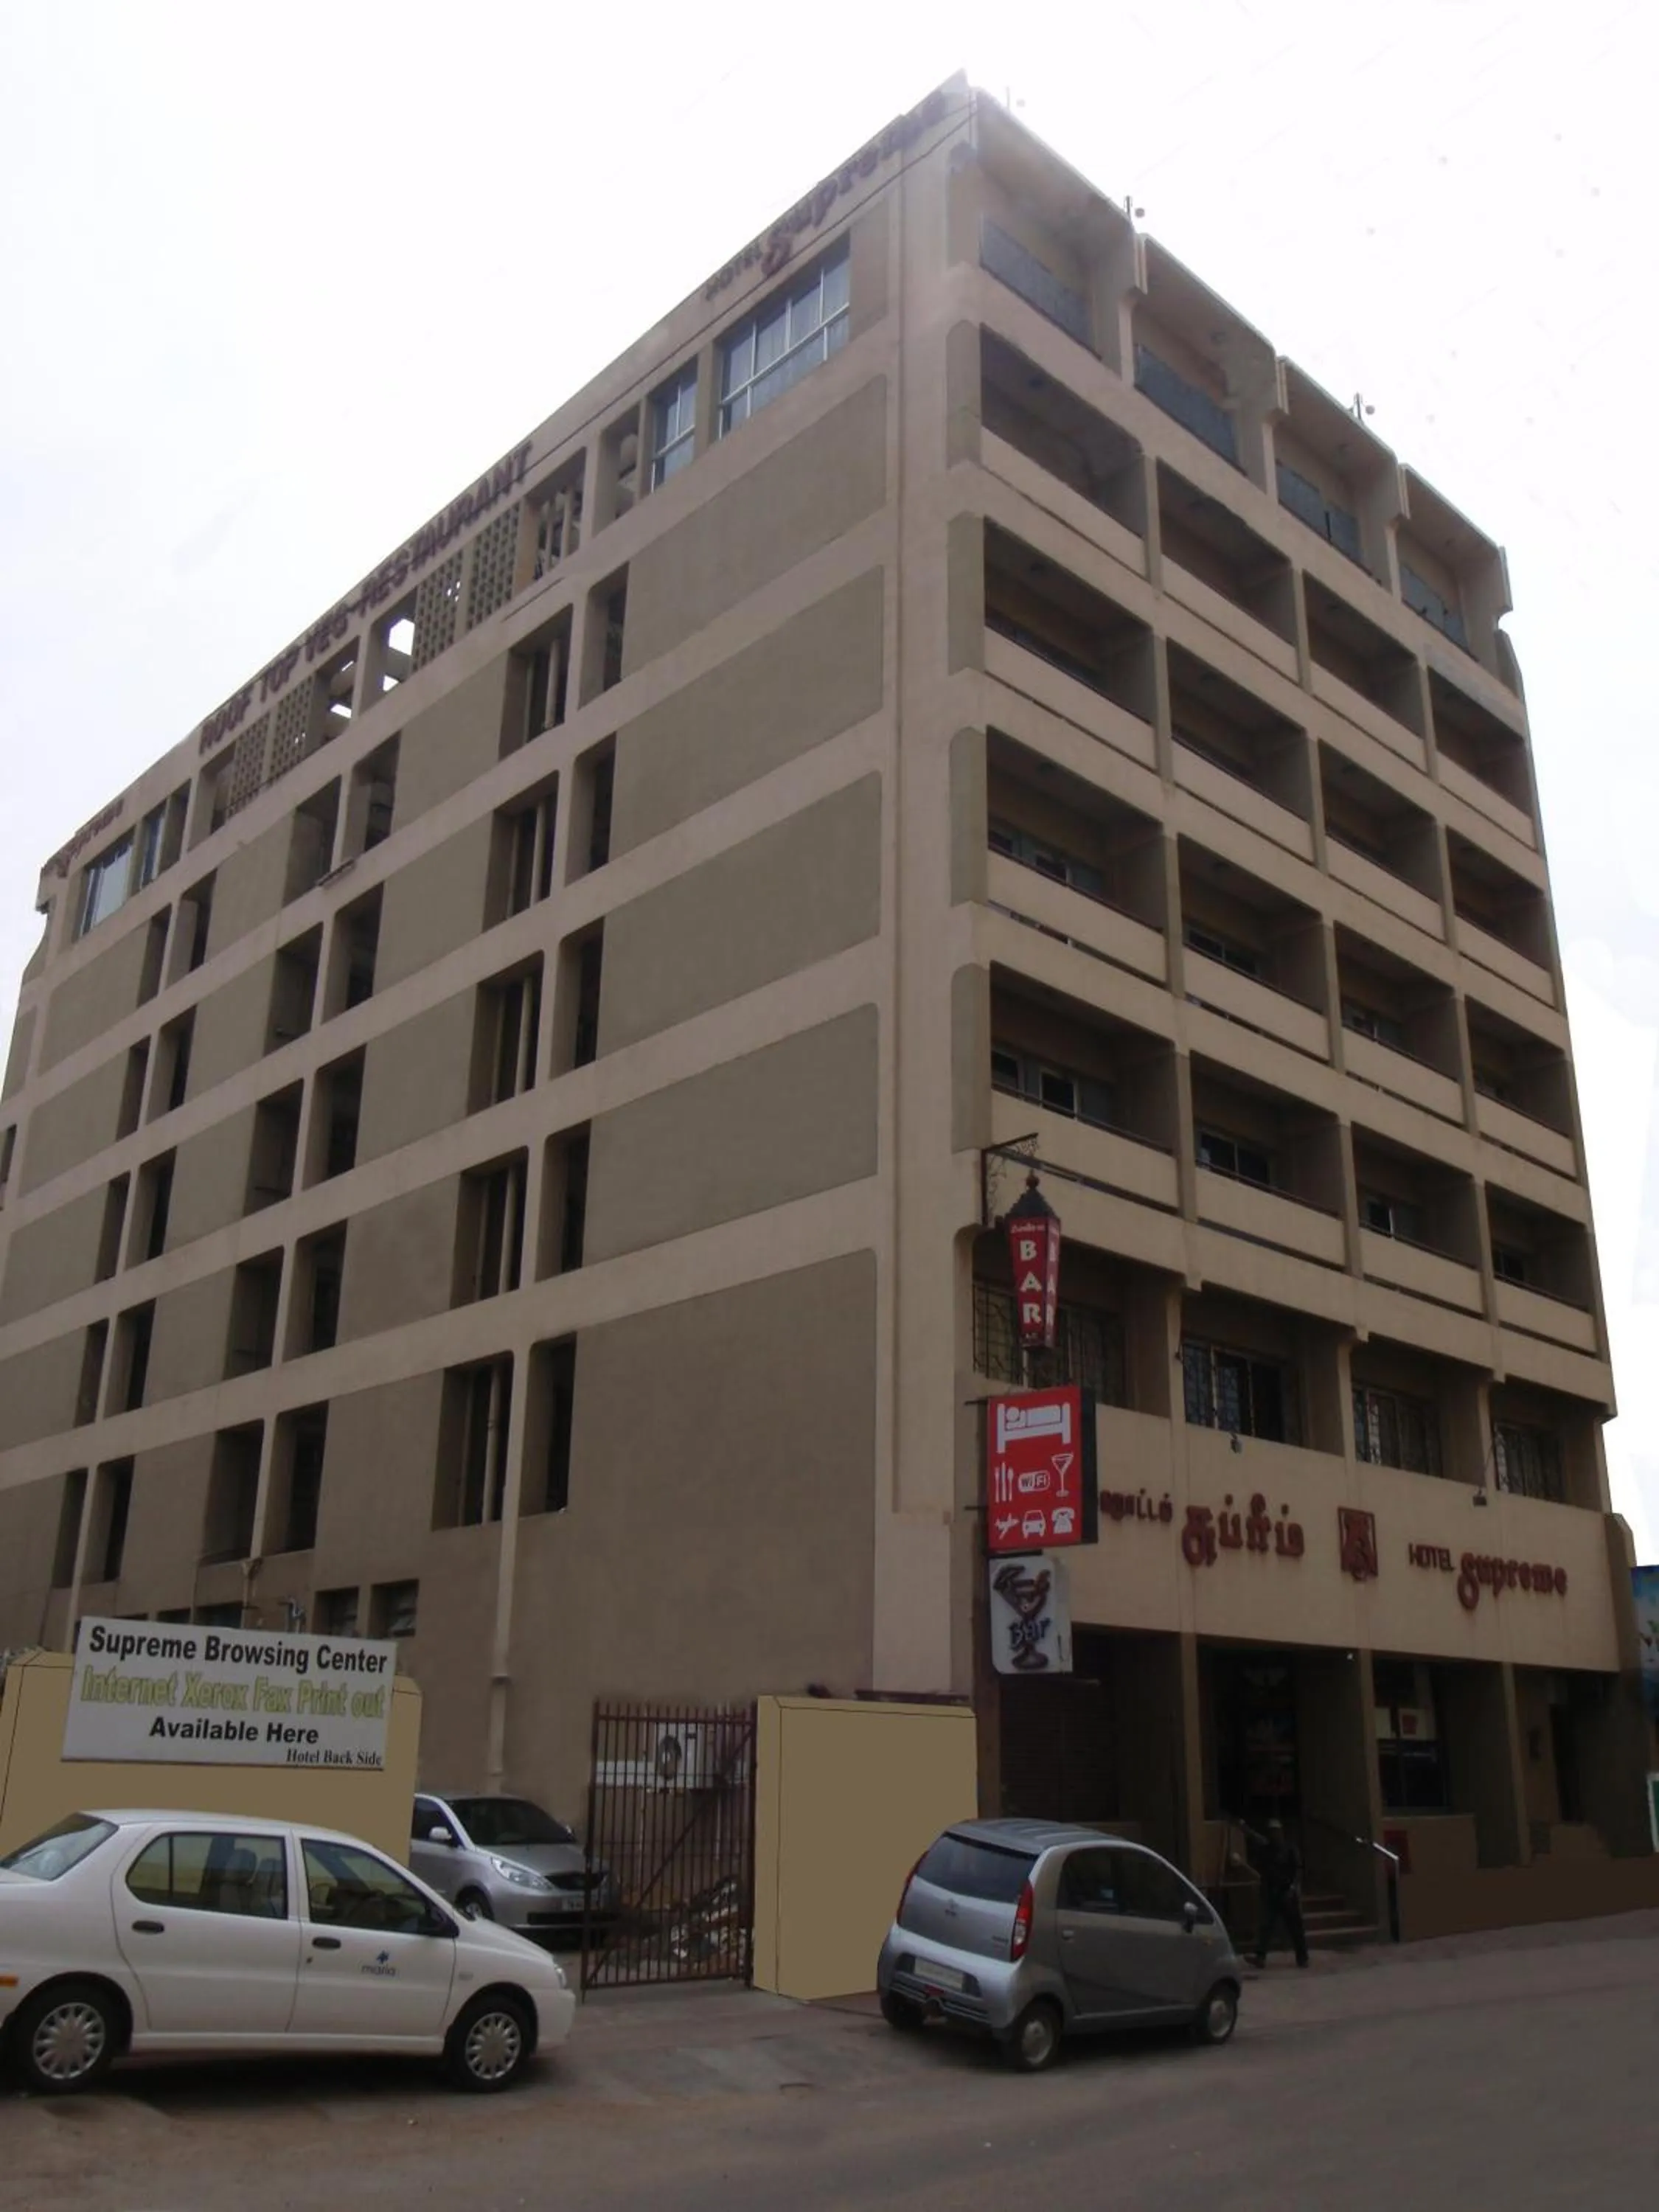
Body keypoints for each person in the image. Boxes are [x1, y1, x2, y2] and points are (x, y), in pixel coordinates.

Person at [1242, 1816, 1308, 1969]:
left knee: (1295, 1927)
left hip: (1287, 1892)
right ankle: (1260, 1957)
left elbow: (1298, 1870)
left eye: (1276, 1831)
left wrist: (1293, 1888)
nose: (1274, 1834)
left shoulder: (1290, 1848)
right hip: (1271, 1893)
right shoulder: (1266, 1849)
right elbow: (1260, 1864)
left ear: (1281, 1832)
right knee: (1266, 1926)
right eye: (1271, 1832)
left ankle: (1302, 1957)